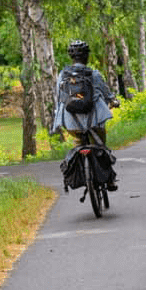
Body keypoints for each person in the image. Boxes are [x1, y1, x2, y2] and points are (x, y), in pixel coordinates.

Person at [52, 40, 119, 190]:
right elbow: (106, 93)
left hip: (72, 122)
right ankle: (109, 180)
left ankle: (80, 173)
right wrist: (113, 101)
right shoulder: (93, 74)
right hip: (93, 121)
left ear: (71, 57)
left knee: (77, 143)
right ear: (87, 56)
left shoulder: (63, 75)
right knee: (100, 147)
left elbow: (58, 96)